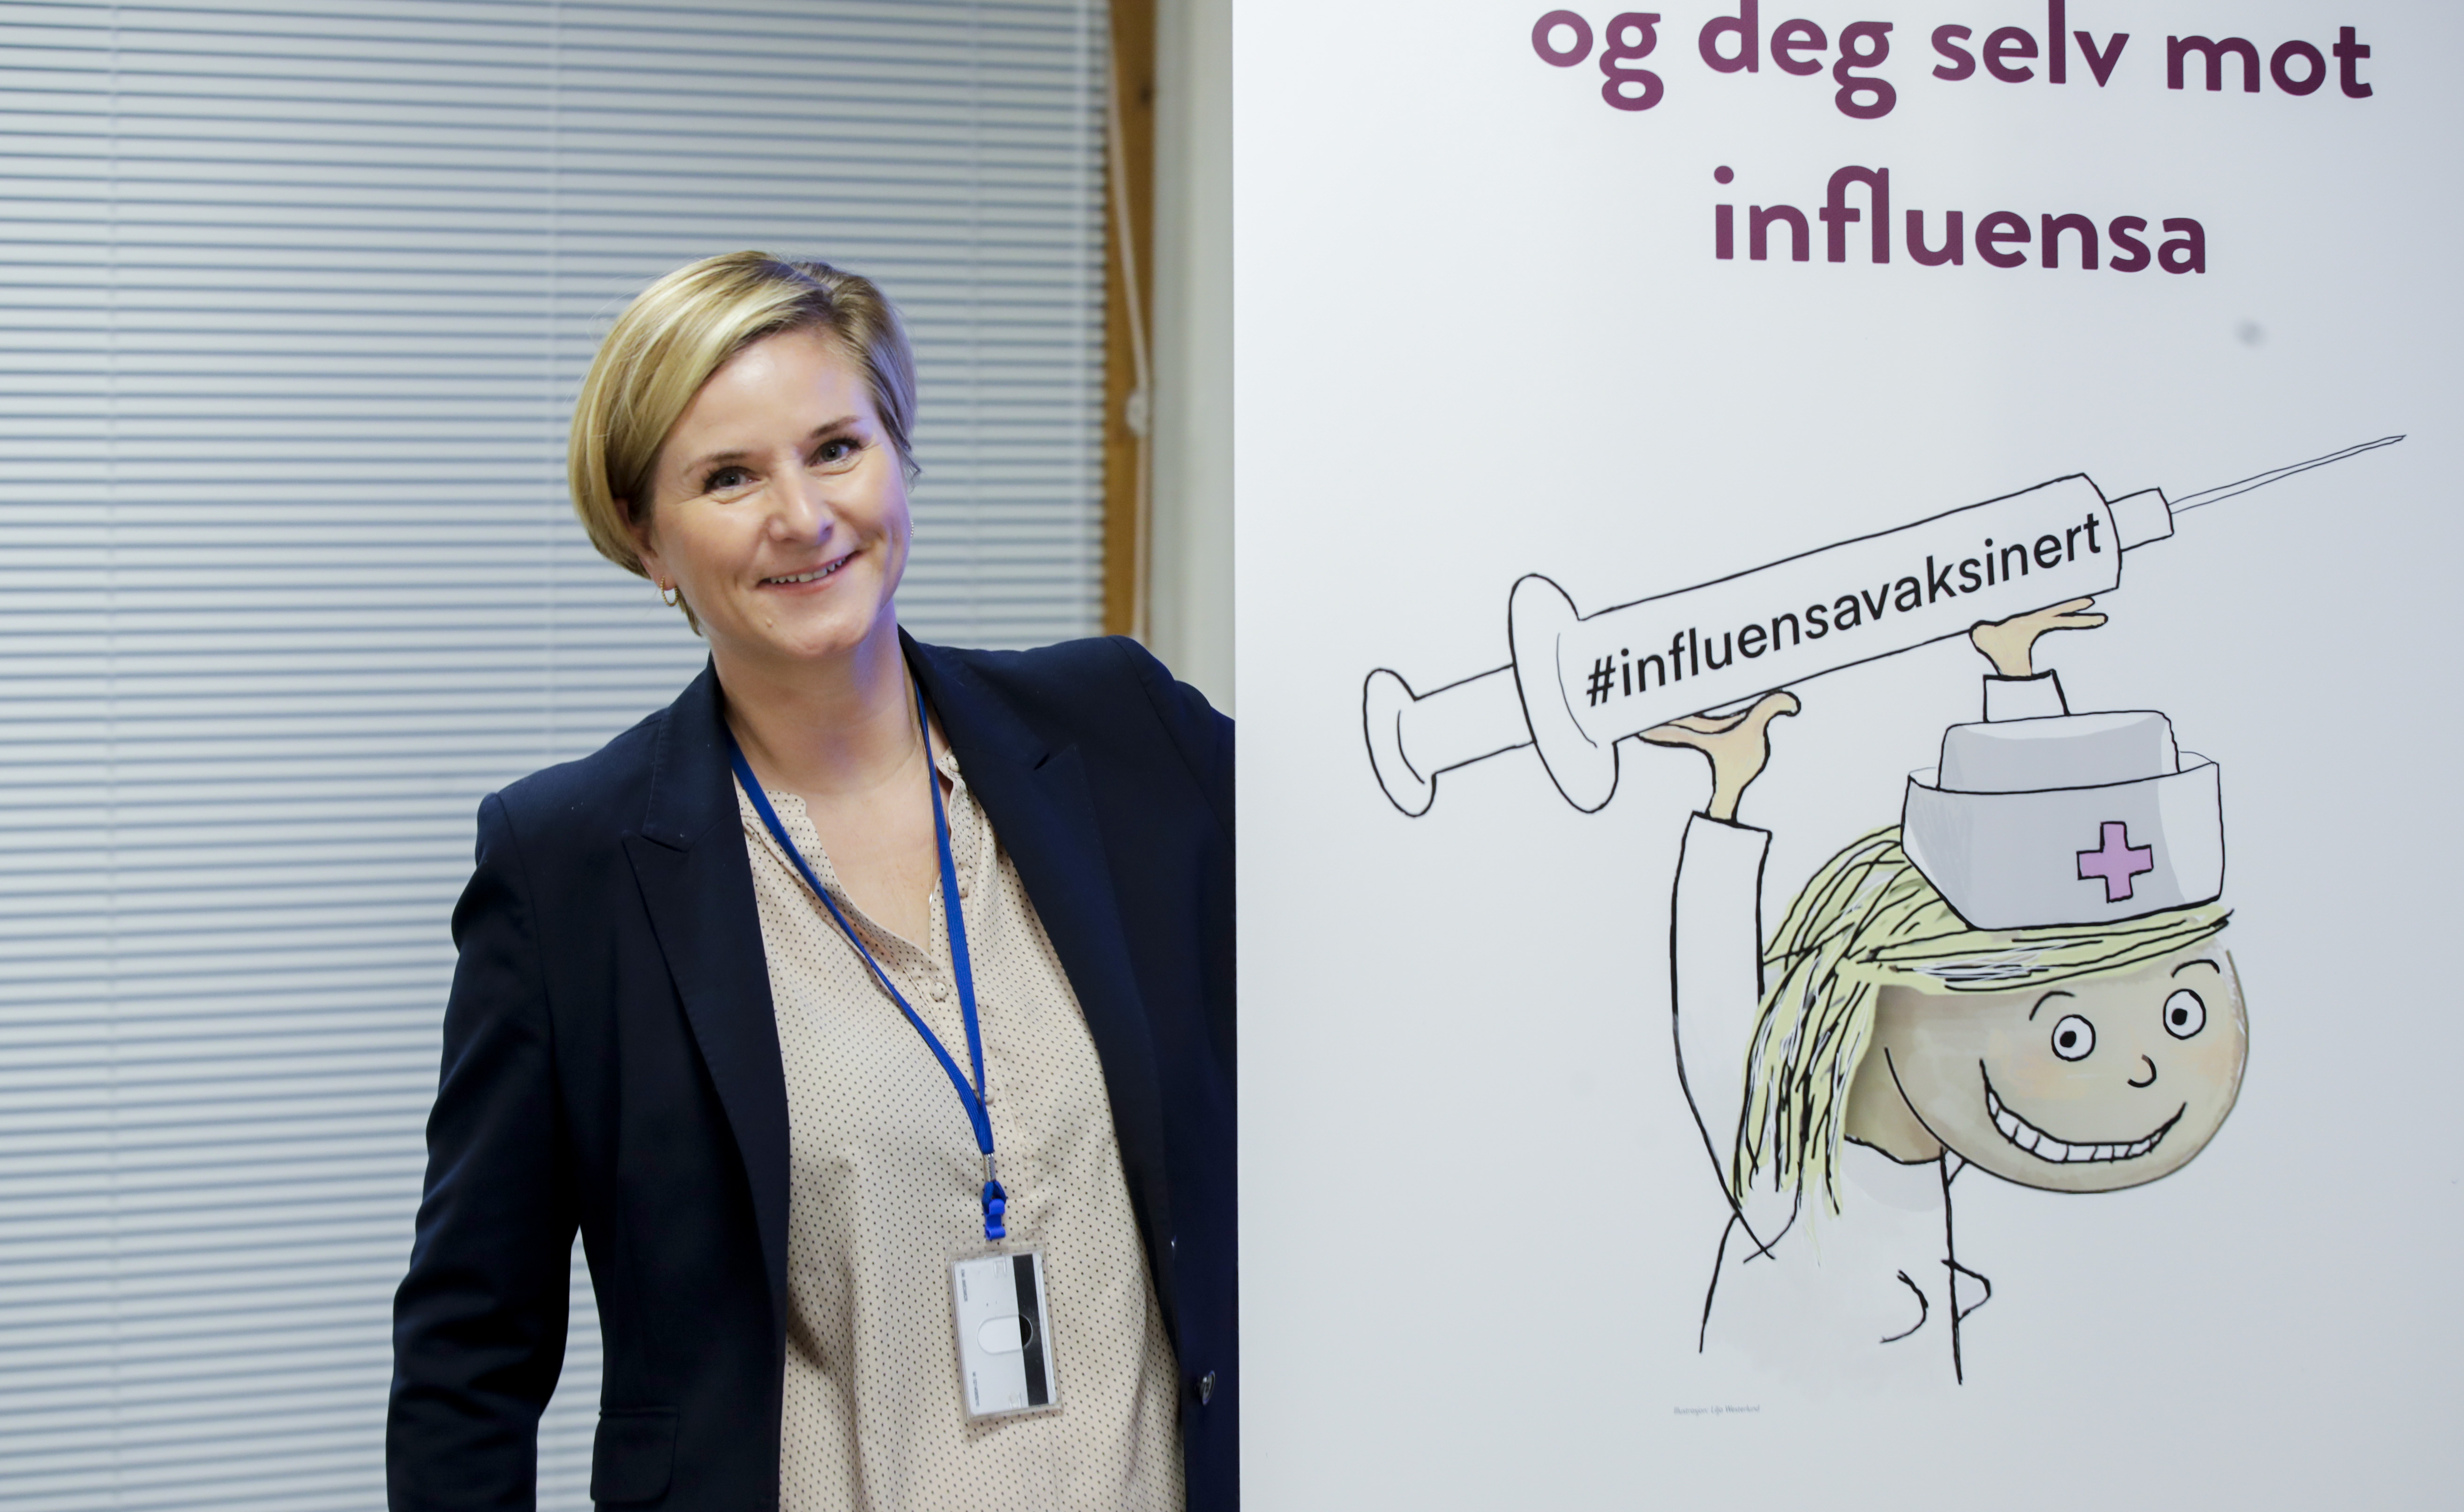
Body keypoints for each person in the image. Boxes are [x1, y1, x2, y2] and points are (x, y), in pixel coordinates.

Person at [387, 252, 1233, 1509]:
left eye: (836, 448)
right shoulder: (569, 865)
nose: (801, 514)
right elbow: (468, 1358)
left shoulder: (1125, 734)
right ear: (646, 536)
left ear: (900, 456)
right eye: (729, 477)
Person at [1645, 599, 2246, 1384]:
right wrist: (1724, 801)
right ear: (1898, 978)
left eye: (2182, 1012)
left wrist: (2018, 681)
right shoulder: (1789, 1168)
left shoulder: (1931, 1129)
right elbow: (1719, 1024)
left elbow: (2049, 869)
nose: (2142, 1072)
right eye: (2069, 1037)